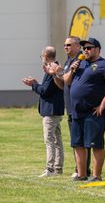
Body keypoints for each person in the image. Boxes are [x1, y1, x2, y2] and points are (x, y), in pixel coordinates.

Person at [64, 37, 105, 182]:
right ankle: (81, 175)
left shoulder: (104, 65)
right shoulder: (80, 63)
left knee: (95, 144)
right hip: (77, 111)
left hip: (94, 112)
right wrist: (72, 70)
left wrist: (103, 103)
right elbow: (67, 81)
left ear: (97, 49)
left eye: (89, 48)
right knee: (78, 144)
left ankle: (96, 176)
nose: (86, 51)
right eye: (84, 48)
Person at [47, 36, 91, 177]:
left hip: (80, 107)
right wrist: (55, 75)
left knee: (82, 140)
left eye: (69, 45)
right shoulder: (68, 62)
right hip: (70, 107)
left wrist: (60, 72)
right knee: (75, 140)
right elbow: (63, 85)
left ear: (78, 46)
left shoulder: (81, 60)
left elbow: (74, 80)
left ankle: (83, 170)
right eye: (65, 45)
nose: (66, 47)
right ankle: (79, 168)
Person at [22, 46, 64, 177]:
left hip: (51, 111)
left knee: (49, 140)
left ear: (45, 56)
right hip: (55, 110)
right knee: (57, 140)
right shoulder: (54, 67)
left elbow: (45, 91)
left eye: (42, 56)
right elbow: (47, 88)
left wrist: (33, 84)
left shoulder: (52, 69)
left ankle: (51, 168)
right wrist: (36, 83)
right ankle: (57, 168)